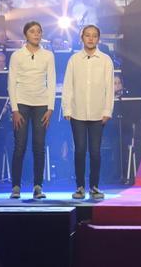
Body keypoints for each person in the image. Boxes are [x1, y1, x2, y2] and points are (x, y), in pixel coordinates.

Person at [62, 24, 115, 200]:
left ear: (98, 39)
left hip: (98, 113)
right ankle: (79, 187)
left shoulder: (106, 60)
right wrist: (67, 108)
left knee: (95, 152)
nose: (91, 38)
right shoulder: (74, 60)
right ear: (81, 38)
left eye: (94, 36)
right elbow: (68, 85)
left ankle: (94, 186)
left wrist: (108, 110)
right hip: (77, 112)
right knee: (79, 150)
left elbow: (110, 87)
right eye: (87, 35)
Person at [8, 21, 56, 199]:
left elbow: (51, 82)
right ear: (26, 35)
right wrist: (14, 109)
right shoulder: (17, 55)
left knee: (39, 146)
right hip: (21, 103)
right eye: (32, 31)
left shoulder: (48, 55)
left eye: (39, 31)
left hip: (41, 104)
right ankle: (16, 186)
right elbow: (11, 83)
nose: (36, 34)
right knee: (19, 146)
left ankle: (38, 186)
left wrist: (50, 108)